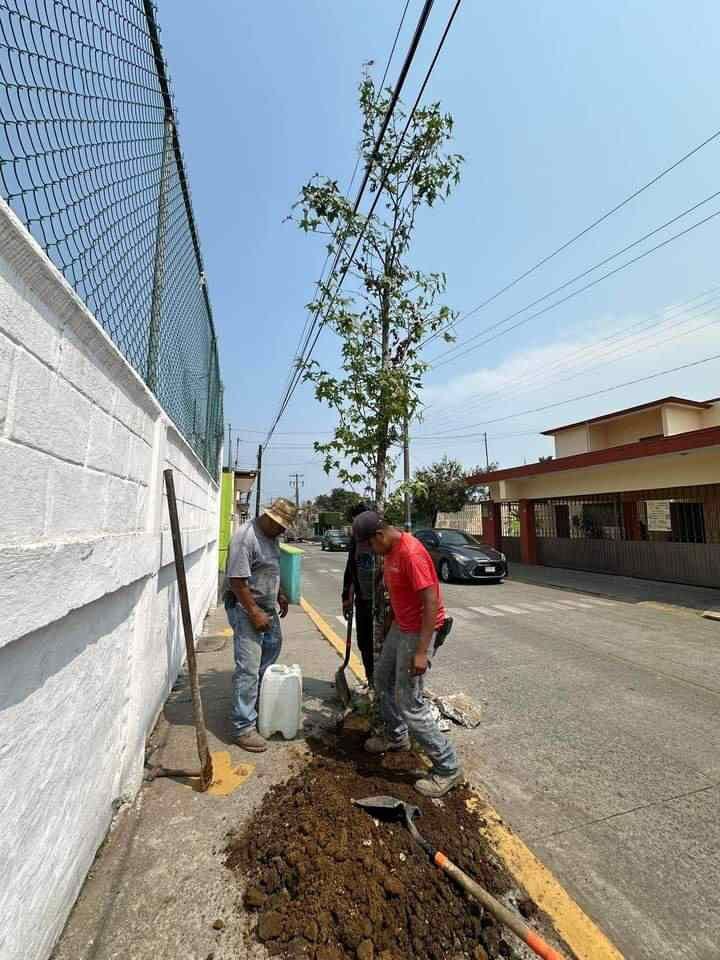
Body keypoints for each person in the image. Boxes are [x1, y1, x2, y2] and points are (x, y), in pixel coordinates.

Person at [352, 510, 463, 798]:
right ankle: (396, 736)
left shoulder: (411, 553)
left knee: (409, 701)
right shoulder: (389, 550)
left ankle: (448, 767)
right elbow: (399, 594)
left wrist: (422, 651)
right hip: (401, 627)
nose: (372, 553)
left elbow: (430, 602)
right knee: (381, 678)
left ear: (380, 535)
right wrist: (391, 624)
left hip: (419, 632)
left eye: (371, 546)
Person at [223, 497, 297, 752]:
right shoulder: (246, 537)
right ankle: (242, 726)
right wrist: (254, 612)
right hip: (245, 607)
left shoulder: (272, 537)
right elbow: (236, 580)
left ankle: (253, 700)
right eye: (280, 524)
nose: (282, 529)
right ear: (269, 518)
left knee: (273, 647)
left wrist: (280, 594)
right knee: (249, 667)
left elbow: (270, 568)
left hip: (265, 605)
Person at [341, 501, 375, 684]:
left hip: (381, 604)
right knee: (364, 642)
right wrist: (346, 597)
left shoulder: (380, 540)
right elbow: (351, 568)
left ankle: (381, 683)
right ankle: (371, 680)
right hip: (362, 599)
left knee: (379, 645)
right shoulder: (356, 540)